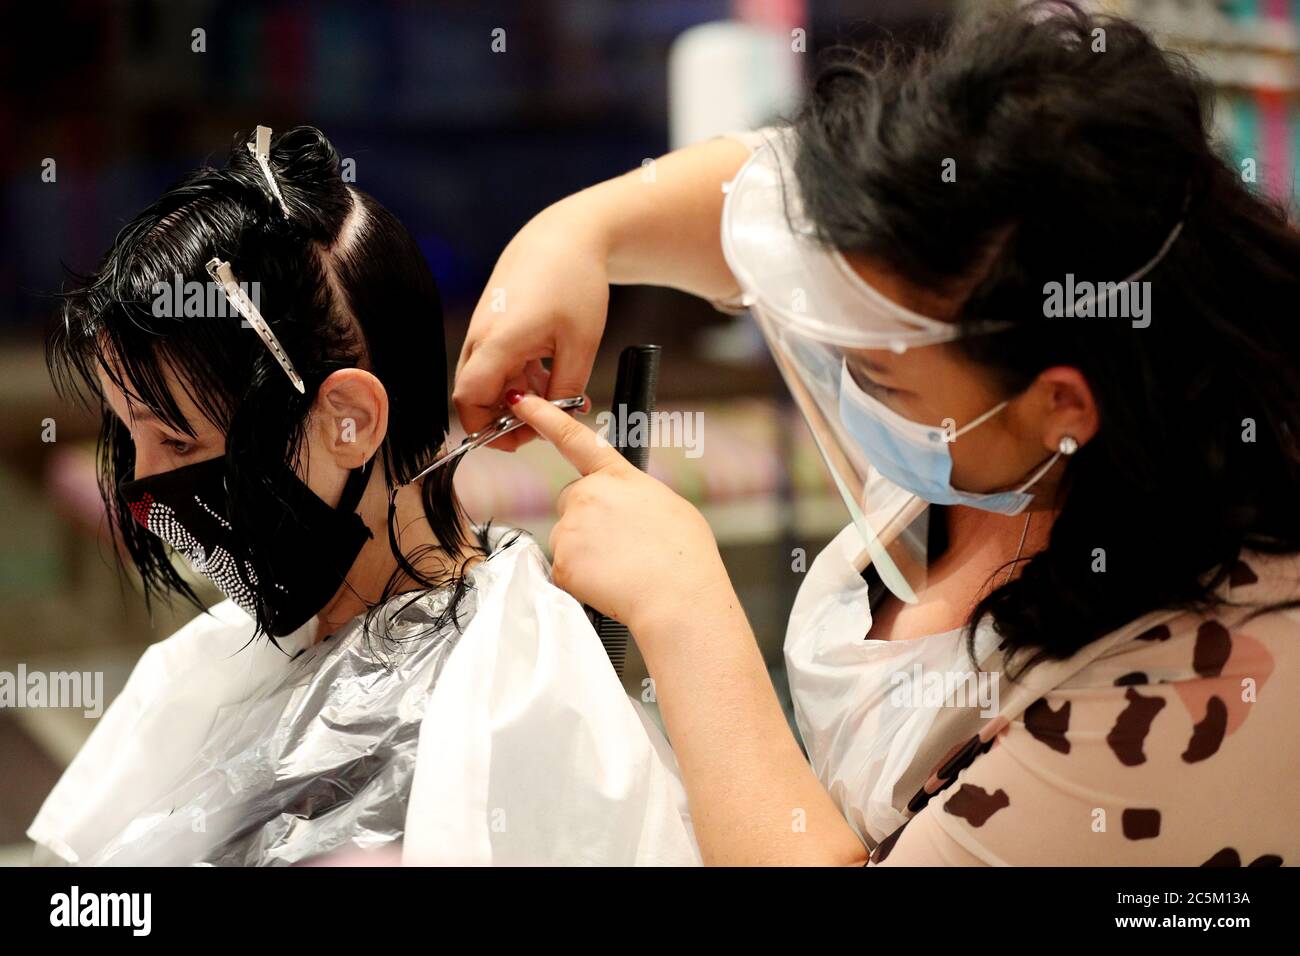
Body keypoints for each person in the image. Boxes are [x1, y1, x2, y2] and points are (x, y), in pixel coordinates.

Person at [454, 3, 1300, 865]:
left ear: (1062, 407)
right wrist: (573, 237)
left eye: (880, 375)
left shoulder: (1197, 687)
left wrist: (686, 614)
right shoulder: (974, 376)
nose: (842, 379)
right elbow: (765, 188)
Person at [30, 125, 698, 866]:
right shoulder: (223, 658)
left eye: (179, 442)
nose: (143, 491)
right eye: (130, 438)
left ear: (349, 419)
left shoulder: (519, 697)